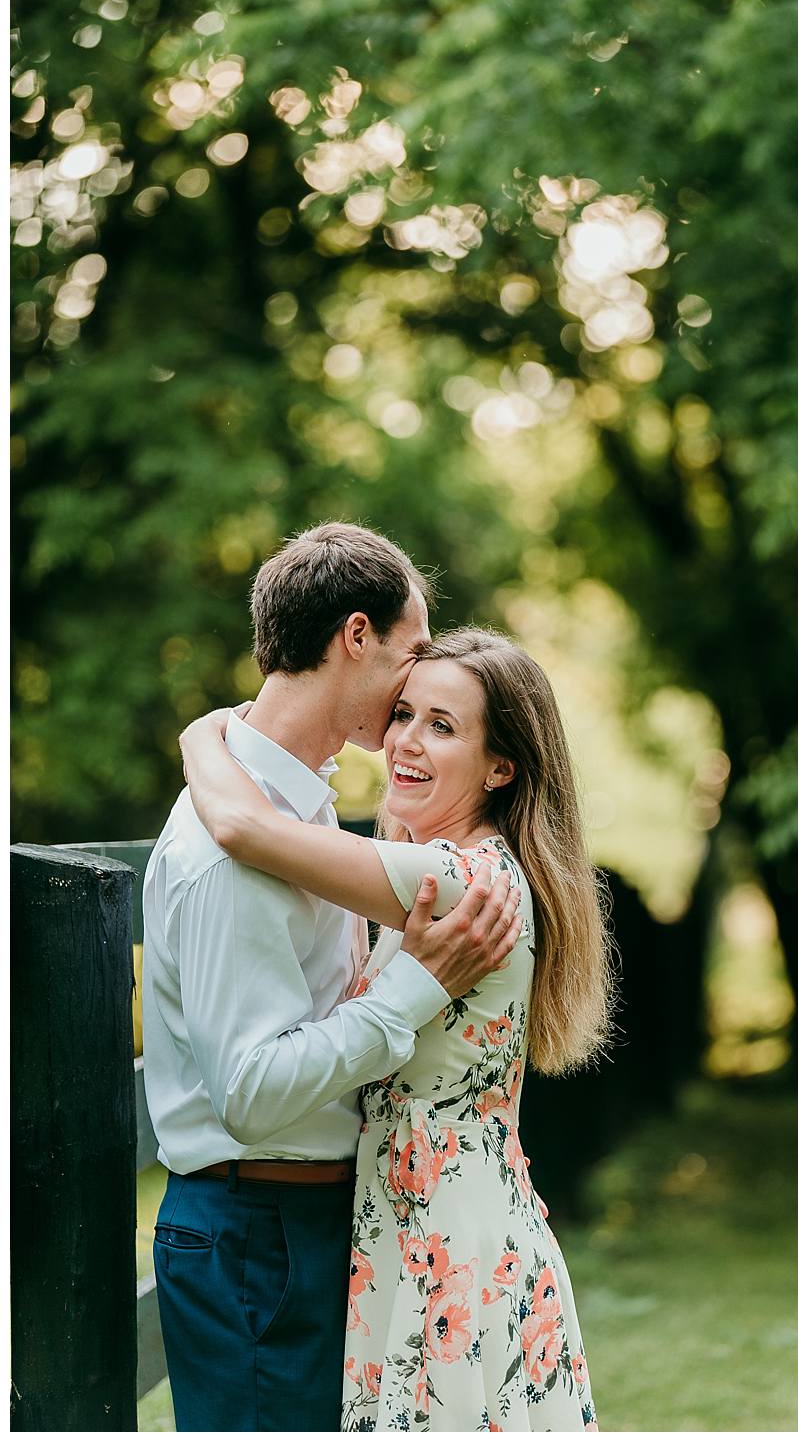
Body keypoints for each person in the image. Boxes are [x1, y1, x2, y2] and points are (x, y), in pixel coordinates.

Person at [179, 625, 614, 1430]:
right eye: (404, 713)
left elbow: (245, 831)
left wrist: (203, 736)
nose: (405, 742)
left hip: (446, 1245)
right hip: (428, 1222)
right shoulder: (445, 865)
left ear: (501, 766)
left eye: (443, 726)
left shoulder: (459, 880)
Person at [142, 523, 524, 1431]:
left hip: (312, 1225)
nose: (415, 687)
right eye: (414, 654)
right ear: (358, 636)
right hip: (255, 1232)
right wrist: (409, 991)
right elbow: (251, 1092)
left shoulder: (298, 811)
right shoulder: (228, 852)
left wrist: (206, 735)